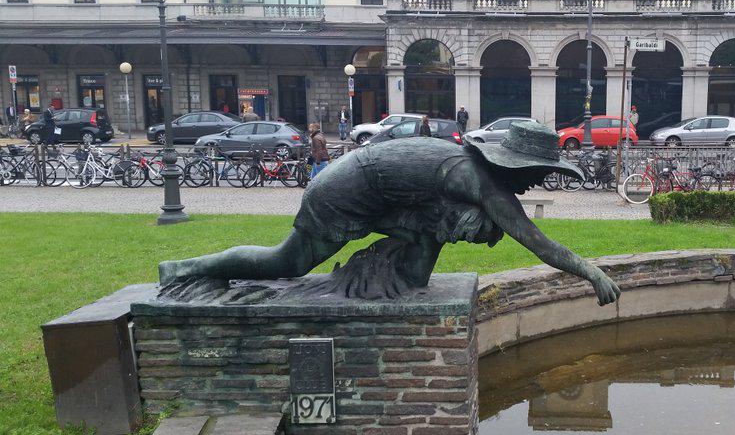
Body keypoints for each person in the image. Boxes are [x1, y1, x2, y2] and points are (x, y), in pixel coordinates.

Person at [158, 121, 621, 305]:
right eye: (539, 172)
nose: (539, 181)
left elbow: (431, 214)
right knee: (287, 263)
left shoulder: (473, 174)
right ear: (521, 166)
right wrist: (592, 274)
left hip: (376, 191)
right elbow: (538, 243)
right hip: (345, 192)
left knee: (424, 257)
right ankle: (185, 268)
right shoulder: (478, 184)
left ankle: (383, 278)